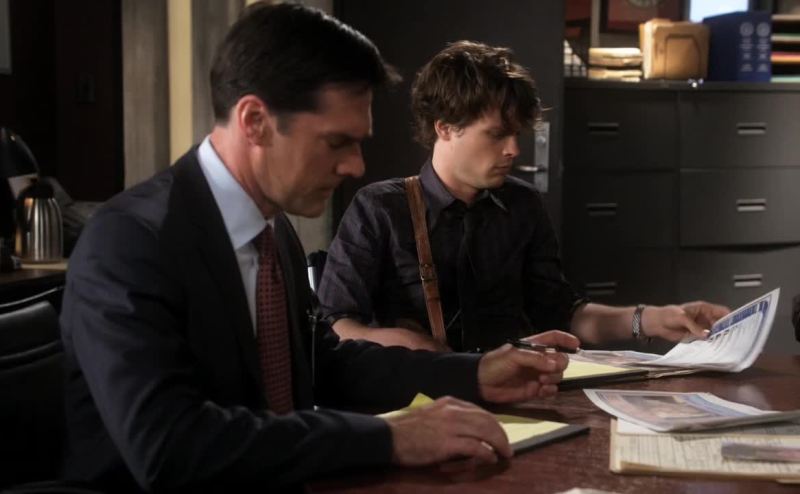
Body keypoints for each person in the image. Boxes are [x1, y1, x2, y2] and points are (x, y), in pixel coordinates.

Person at [60, 5, 578, 493]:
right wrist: (389, 438)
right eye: (337, 142)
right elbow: (169, 446)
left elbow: (322, 362)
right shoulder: (130, 243)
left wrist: (474, 373)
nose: (356, 166)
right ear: (255, 122)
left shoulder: (272, 231)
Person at [318, 41, 730, 353]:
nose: (514, 149)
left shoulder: (523, 205)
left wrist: (651, 319)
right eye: (497, 134)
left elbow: (565, 313)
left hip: (517, 397)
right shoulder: (379, 208)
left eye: (517, 134)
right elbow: (336, 326)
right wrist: (413, 347)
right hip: (420, 401)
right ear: (444, 127)